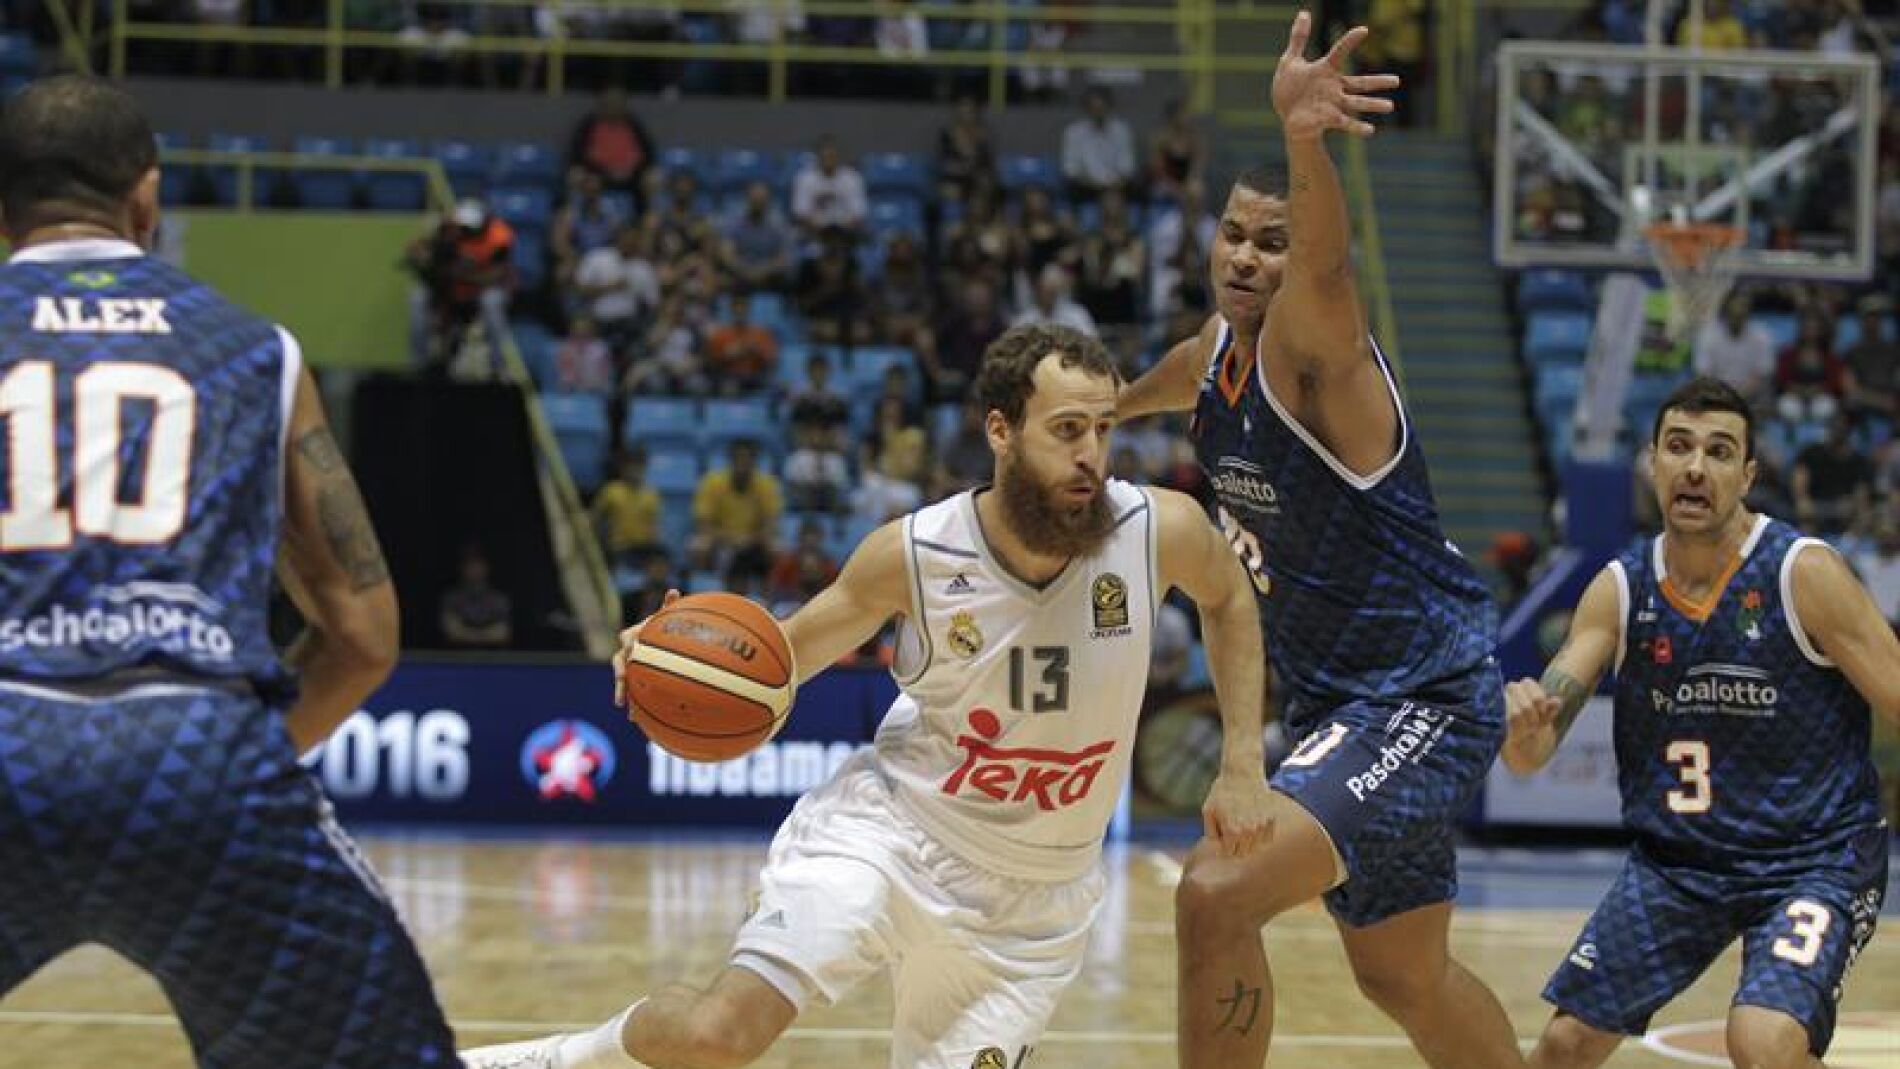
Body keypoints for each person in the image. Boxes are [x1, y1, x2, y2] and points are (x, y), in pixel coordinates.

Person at [460, 323, 1278, 1069]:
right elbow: (781, 656)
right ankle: (556, 1059)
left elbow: (1231, 597)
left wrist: (1243, 758)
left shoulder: (1157, 530)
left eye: (1104, 429)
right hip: (890, 838)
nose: (1092, 455)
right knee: (718, 1035)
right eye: (1067, 430)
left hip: (1033, 908)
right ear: (1001, 431)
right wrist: (668, 653)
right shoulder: (915, 554)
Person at [0, 77, 457, 1066]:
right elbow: (365, 635)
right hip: (196, 748)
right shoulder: (256, 351)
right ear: (148, 199)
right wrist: (247, 751)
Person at [1116, 15, 1526, 1069]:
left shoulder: (1319, 358)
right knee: (1402, 974)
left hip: (1419, 696)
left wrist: (1306, 145)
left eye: (1274, 241)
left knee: (1213, 894)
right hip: (1343, 706)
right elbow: (1158, 383)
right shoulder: (1213, 355)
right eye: (1235, 236)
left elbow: (1332, 277)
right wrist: (1090, 417)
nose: (1249, 258)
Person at [1501, 376, 1893, 1069]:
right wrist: (1523, 724)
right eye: (1678, 447)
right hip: (1679, 865)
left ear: (1746, 476)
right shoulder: (1621, 588)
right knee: (1562, 1046)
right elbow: (1530, 757)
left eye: (1718, 452)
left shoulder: (1805, 574)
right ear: (1651, 463)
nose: (1694, 466)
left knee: (1763, 1040)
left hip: (1812, 858)